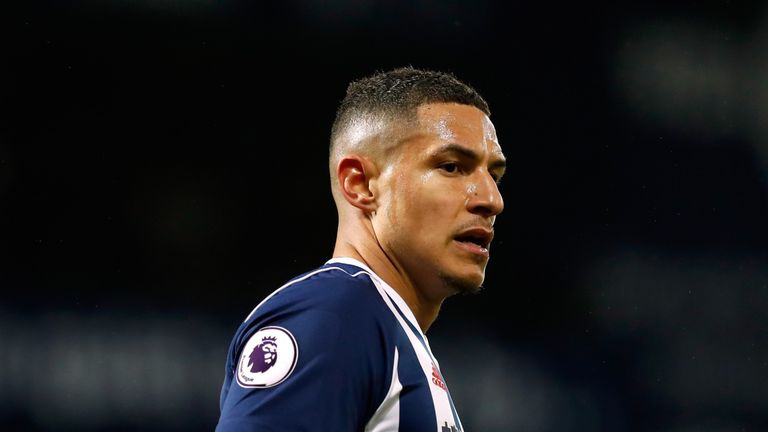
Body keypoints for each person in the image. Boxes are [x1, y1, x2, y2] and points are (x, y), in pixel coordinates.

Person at [215, 66, 505, 431]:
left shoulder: (385, 329)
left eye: (493, 176)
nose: (492, 200)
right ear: (361, 184)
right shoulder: (334, 314)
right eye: (451, 167)